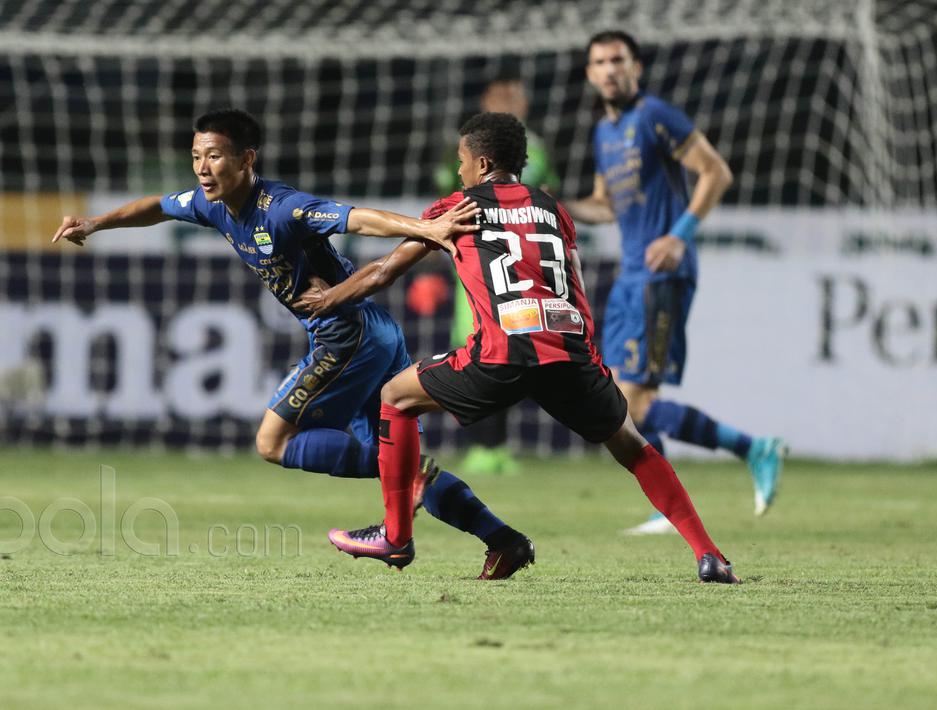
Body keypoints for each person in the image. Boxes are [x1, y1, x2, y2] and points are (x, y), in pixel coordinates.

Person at [52, 108, 535, 578]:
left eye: (215, 156)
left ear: (247, 159)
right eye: (196, 156)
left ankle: (410, 473)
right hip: (374, 331)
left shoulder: (282, 207)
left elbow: (358, 219)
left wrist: (424, 227)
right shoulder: (208, 203)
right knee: (396, 461)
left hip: (347, 335)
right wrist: (95, 223)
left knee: (272, 442)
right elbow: (157, 207)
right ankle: (503, 539)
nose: (202, 168)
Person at [306, 111, 742, 583]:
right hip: (567, 351)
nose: (459, 170)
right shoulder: (552, 208)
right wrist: (586, 354)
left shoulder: (459, 207)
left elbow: (384, 272)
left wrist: (327, 299)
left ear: (483, 163)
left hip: (501, 354)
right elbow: (576, 287)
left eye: (462, 160)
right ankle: (710, 555)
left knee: (395, 397)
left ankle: (395, 536)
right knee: (632, 446)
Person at [570, 30, 786, 535]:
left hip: (662, 272)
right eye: (600, 62)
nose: (609, 70)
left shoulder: (656, 116)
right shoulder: (604, 133)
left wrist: (678, 236)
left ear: (636, 67)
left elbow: (716, 172)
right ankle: (666, 507)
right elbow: (604, 205)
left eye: (618, 60)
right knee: (618, 400)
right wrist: (554, 204)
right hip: (630, 275)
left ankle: (754, 448)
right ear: (590, 74)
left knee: (635, 402)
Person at [427, 73, 562, 477]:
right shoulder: (465, 148)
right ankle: (483, 445)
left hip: (524, 267)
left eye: (515, 96)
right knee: (477, 348)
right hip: (477, 264)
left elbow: (549, 197)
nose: (509, 103)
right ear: (486, 100)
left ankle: (497, 445)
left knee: (517, 349)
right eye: (501, 96)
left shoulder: (537, 150)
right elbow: (446, 200)